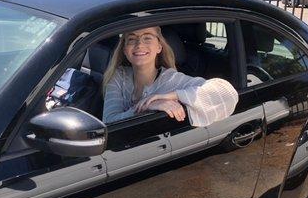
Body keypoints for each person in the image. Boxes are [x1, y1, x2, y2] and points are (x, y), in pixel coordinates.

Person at [102, 26, 239, 126]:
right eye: (132, 39)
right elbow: (108, 122)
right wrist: (147, 107)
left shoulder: (171, 79)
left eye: (147, 38)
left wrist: (173, 96)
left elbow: (227, 94)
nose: (139, 44)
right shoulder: (118, 75)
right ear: (125, 49)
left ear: (159, 47)